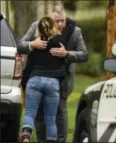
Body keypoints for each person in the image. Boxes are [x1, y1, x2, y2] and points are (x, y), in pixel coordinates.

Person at [18, 5, 88, 143]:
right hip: (37, 76)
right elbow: (20, 46)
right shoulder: (37, 26)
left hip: (62, 80)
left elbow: (84, 55)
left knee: (60, 114)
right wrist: (33, 44)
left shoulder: (74, 32)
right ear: (51, 19)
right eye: (57, 21)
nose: (61, 24)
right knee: (39, 115)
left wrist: (67, 54)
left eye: (63, 20)